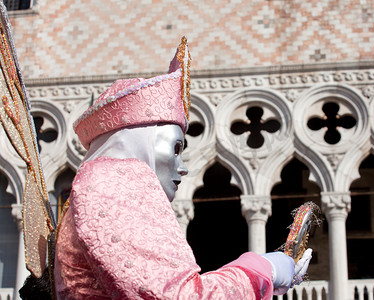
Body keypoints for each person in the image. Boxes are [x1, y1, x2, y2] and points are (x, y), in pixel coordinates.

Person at [53, 37, 312, 299]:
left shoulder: (97, 183)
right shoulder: (115, 184)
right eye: (176, 149)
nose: (183, 167)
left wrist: (264, 280)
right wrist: (260, 271)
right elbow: (177, 295)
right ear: (143, 144)